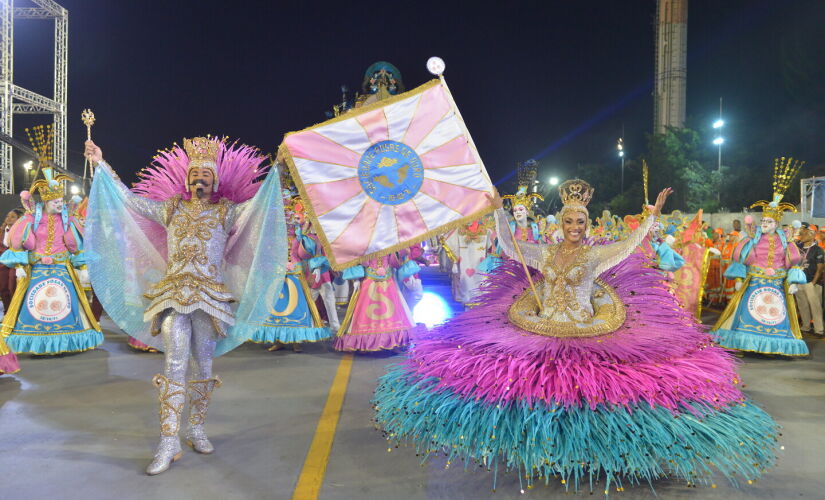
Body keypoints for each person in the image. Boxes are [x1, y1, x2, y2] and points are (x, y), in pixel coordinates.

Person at [373, 180, 780, 492]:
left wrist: (653, 216)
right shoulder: (544, 254)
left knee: (588, 396)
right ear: (561, 222)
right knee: (542, 395)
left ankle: (588, 452)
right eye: (568, 220)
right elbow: (512, 245)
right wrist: (498, 210)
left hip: (589, 329)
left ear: (587, 224)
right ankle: (545, 448)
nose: (573, 226)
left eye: (580, 221)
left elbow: (630, 242)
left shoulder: (595, 255)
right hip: (539, 331)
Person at [84, 137, 286, 475]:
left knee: (203, 367)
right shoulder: (171, 208)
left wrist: (278, 170)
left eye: (206, 174)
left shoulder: (227, 212)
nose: (199, 179)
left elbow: (262, 203)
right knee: (174, 364)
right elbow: (130, 201)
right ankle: (168, 441)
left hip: (210, 299)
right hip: (174, 296)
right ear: (187, 178)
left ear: (216, 181)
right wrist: (101, 165)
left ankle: (196, 429)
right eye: (194, 174)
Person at [711, 158, 808, 356]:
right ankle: (743, 344)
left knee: (775, 315)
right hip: (754, 281)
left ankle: (774, 348)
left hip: (777, 284)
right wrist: (739, 278)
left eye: (768, 221)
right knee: (748, 313)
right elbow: (740, 258)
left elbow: (793, 263)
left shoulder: (785, 241)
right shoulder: (752, 239)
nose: (764, 223)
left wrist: (794, 281)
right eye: (762, 220)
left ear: (776, 223)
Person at [0, 168, 102, 355]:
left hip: (62, 268)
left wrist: (82, 266)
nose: (60, 204)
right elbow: (19, 242)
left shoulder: (68, 219)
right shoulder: (31, 219)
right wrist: (21, 264)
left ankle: (64, 343)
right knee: (38, 304)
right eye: (56, 202)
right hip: (37, 268)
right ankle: (40, 343)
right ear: (47, 201)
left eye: (62, 201)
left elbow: (76, 245)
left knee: (64, 303)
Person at [795, 222, 824, 335]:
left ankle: (819, 329)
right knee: (803, 306)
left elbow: (820, 268)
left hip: (812, 282)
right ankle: (806, 326)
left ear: (812, 235)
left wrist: (813, 282)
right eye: (800, 234)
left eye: (804, 233)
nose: (801, 235)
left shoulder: (818, 250)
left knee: (815, 307)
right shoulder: (798, 248)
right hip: (799, 281)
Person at [0, 208, 24, 313]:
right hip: (2, 264)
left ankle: (16, 314)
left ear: (19, 219)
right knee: (3, 289)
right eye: (7, 216)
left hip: (16, 264)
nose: (8, 218)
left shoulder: (22, 232)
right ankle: (7, 313)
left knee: (13, 288)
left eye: (13, 216)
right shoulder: (1, 231)